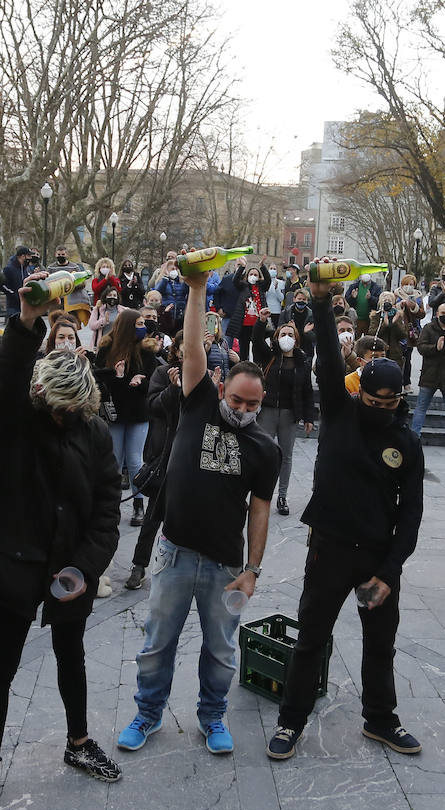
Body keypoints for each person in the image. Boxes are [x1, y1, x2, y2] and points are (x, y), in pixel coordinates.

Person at [0, 269, 123, 810]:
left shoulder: (93, 431)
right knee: (1, 664)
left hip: (68, 564)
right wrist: (27, 321)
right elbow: (2, 383)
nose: (62, 419)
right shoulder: (15, 418)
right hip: (14, 560)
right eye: (55, 410)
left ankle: (78, 742)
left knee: (70, 655)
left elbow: (106, 510)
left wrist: (86, 566)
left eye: (70, 414)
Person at [117, 258, 280, 758]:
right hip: (174, 550)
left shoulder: (265, 450)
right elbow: (191, 348)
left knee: (221, 650)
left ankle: (213, 718)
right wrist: (197, 289)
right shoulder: (199, 402)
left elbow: (259, 510)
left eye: (253, 405)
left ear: (262, 402)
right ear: (222, 388)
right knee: (156, 644)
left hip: (224, 561)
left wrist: (252, 569)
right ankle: (147, 714)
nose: (244, 410)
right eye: (238, 400)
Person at [266, 261, 425, 760]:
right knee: (311, 637)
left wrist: (389, 571)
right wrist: (320, 300)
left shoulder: (407, 442)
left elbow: (413, 513)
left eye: (391, 400)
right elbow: (330, 361)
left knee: (381, 645)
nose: (382, 407)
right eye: (374, 399)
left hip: (378, 555)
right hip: (329, 547)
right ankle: (291, 721)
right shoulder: (341, 411)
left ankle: (381, 719)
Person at [125, 341, 184, 591]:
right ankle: (139, 566)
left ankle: (179, 570)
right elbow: (154, 406)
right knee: (152, 517)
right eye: (183, 348)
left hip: (189, 458)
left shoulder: (202, 374)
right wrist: (173, 389)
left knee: (186, 519)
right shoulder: (162, 373)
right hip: (163, 454)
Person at [95, 308, 158, 527]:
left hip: (139, 413)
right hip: (114, 413)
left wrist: (141, 383)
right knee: (114, 461)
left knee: (134, 460)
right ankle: (110, 506)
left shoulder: (147, 352)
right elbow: (99, 381)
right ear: (127, 326)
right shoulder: (106, 349)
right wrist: (117, 376)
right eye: (139, 324)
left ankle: (138, 505)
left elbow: (154, 384)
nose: (143, 328)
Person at [253, 319, 315, 517]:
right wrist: (261, 322)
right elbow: (256, 339)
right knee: (262, 453)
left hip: (290, 414)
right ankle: (258, 494)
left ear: (296, 340)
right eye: (283, 334)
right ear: (276, 338)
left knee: (286, 456)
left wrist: (308, 417)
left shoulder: (302, 362)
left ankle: (282, 496)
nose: (286, 338)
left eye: (290, 335)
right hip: (267, 411)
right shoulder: (269, 356)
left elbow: (307, 391)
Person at [411, 304, 445, 451]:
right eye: (443, 312)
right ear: (437, 313)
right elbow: (421, 347)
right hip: (430, 374)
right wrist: (436, 347)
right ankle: (413, 437)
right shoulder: (429, 328)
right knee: (421, 407)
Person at [225, 262, 273, 362]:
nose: (253, 276)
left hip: (258, 323)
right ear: (247, 276)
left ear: (259, 277)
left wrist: (262, 267)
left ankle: (256, 365)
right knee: (244, 348)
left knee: (257, 347)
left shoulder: (262, 287)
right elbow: (235, 280)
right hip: (245, 324)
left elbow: (268, 280)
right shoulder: (243, 286)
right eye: (251, 274)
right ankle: (244, 365)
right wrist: (242, 267)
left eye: (255, 275)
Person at [155, 259, 188, 336]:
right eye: (172, 269)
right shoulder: (162, 281)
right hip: (167, 315)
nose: (175, 271)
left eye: (176, 269)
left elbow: (187, 290)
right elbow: (157, 291)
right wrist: (165, 278)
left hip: (179, 315)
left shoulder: (181, 282)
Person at [344, 273, 383, 337]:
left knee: (368, 340)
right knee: (355, 338)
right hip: (356, 320)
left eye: (367, 283)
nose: (365, 284)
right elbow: (346, 302)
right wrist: (352, 297)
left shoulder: (376, 288)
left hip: (369, 321)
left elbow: (379, 303)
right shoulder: (353, 287)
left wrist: (370, 298)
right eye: (363, 282)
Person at [1, 246, 33, 319]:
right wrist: (13, 294)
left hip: (24, 304)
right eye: (28, 255)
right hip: (13, 306)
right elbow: (2, 285)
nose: (30, 258)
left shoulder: (25, 269)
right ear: (22, 256)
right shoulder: (9, 269)